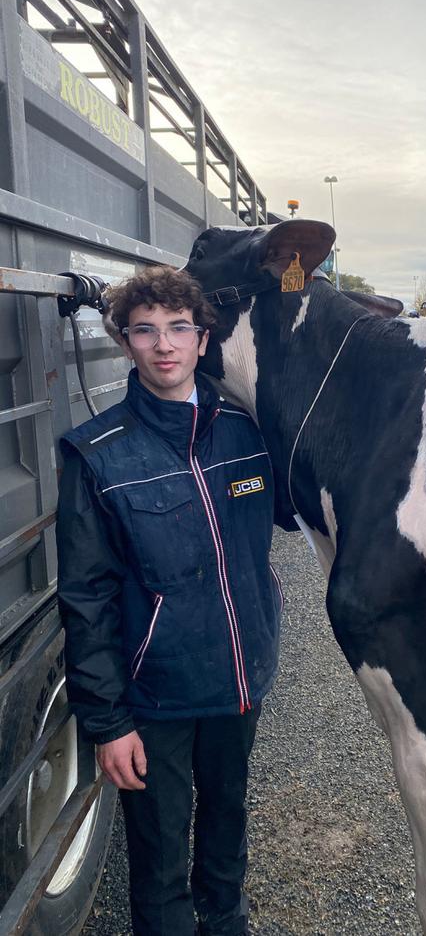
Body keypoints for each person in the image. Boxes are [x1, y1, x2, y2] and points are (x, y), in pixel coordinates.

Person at [56, 265, 281, 936]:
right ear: (123, 343)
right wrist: (108, 722)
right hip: (156, 695)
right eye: (145, 330)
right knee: (157, 852)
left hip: (241, 680)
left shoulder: (248, 434)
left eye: (178, 329)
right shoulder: (95, 455)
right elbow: (86, 597)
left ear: (202, 340)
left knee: (227, 816)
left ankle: (226, 917)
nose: (164, 345)